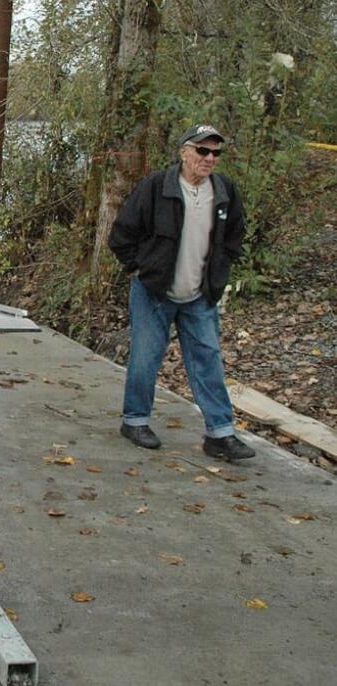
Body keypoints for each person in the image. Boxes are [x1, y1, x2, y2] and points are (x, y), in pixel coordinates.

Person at [107, 123, 255, 461]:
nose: (209, 158)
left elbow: (234, 235)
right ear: (184, 151)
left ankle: (220, 434)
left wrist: (218, 274)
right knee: (145, 358)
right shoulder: (156, 187)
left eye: (216, 153)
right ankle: (135, 421)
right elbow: (121, 234)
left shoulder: (225, 191)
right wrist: (141, 268)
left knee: (208, 360)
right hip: (154, 292)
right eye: (202, 150)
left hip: (199, 295)